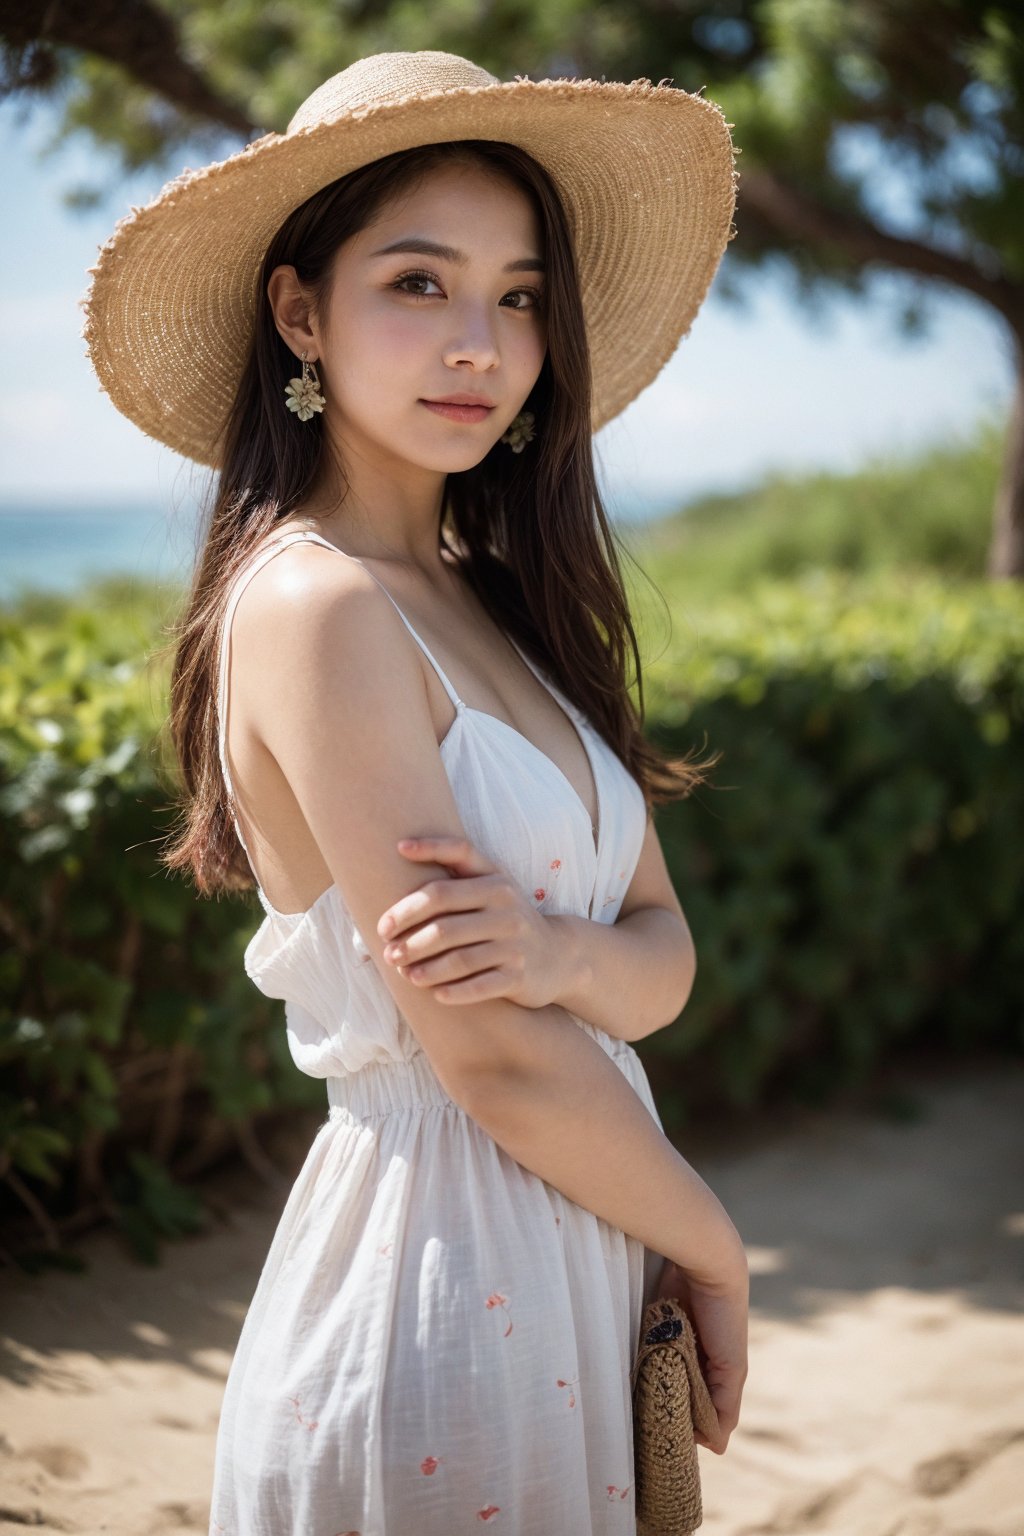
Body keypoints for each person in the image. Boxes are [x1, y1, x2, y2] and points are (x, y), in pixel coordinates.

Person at [82, 48, 747, 1536]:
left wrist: (567, 955)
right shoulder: (316, 610)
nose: (481, 343)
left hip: (581, 1242)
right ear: (300, 309)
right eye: (420, 284)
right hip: (448, 1282)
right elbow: (490, 1058)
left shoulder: (499, 598)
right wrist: (713, 1240)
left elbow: (662, 959)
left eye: (518, 296)